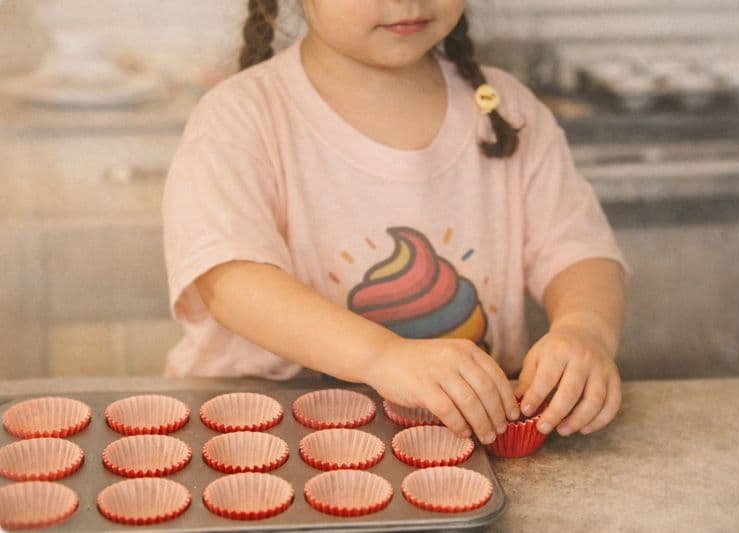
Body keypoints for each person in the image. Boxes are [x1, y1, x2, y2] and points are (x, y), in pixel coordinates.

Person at [162, 0, 628, 446]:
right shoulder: (240, 117)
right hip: (256, 434)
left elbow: (577, 248)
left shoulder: (506, 107)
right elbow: (232, 282)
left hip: (464, 439)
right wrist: (382, 357)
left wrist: (584, 329)